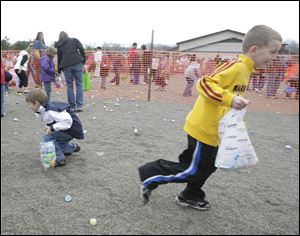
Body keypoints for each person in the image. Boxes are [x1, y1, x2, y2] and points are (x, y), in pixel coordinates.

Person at [138, 25, 282, 210]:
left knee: (207, 165)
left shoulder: (247, 70)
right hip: (203, 129)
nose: (275, 57)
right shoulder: (237, 67)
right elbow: (204, 83)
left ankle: (190, 194)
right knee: (195, 169)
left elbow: (227, 100)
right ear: (254, 50)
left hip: (214, 130)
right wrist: (230, 99)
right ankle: (150, 174)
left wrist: (236, 122)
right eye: (272, 52)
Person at [25, 88, 84, 167]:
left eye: (29, 104)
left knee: (48, 138)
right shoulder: (45, 109)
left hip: (71, 130)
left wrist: (52, 128)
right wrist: (49, 127)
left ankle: (59, 160)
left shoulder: (50, 110)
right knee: (57, 144)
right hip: (68, 130)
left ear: (36, 103)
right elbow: (51, 120)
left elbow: (67, 121)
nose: (29, 107)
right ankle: (72, 148)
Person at [55, 31, 86, 112]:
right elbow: (81, 49)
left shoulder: (59, 45)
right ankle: (79, 106)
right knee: (79, 84)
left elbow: (59, 58)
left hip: (66, 65)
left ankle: (72, 106)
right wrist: (83, 60)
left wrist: (58, 70)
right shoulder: (74, 40)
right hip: (77, 62)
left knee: (69, 86)